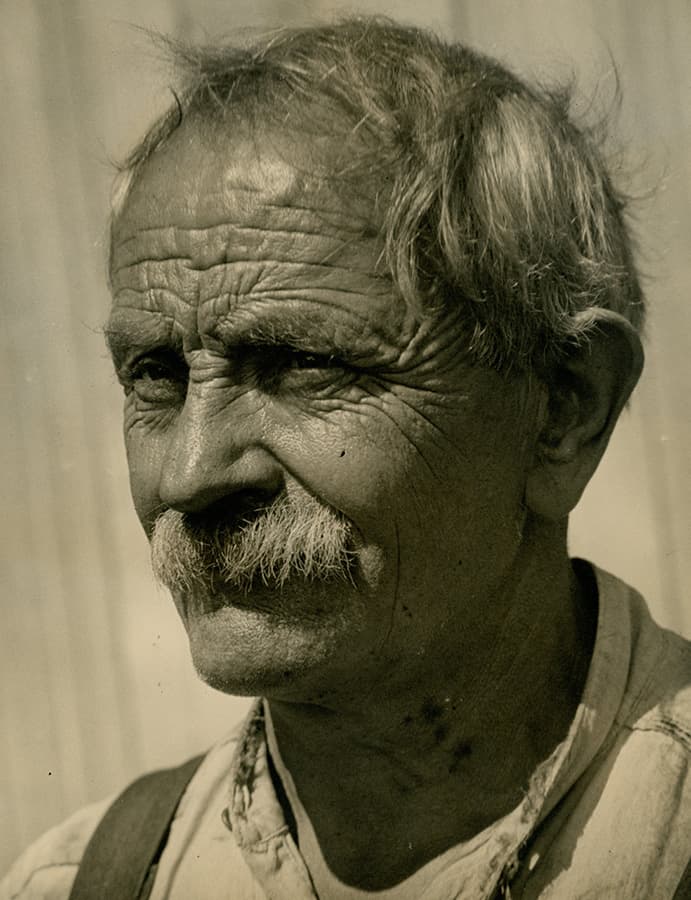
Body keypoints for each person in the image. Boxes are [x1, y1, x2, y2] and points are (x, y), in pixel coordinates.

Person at [3, 16, 690, 900]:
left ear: (563, 407)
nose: (190, 475)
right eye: (157, 377)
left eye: (298, 365)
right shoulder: (77, 883)